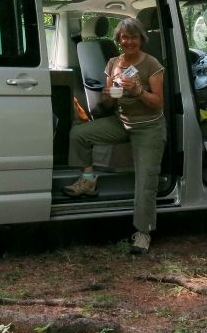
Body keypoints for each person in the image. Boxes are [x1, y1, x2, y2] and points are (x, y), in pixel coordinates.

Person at [64, 17, 166, 254]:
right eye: (124, 37)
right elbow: (108, 103)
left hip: (149, 127)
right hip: (121, 122)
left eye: (133, 37)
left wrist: (139, 90)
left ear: (141, 39)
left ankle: (142, 233)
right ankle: (88, 182)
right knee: (79, 134)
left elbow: (158, 104)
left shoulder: (152, 65)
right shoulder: (112, 63)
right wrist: (109, 95)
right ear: (118, 40)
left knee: (145, 181)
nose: (128, 41)